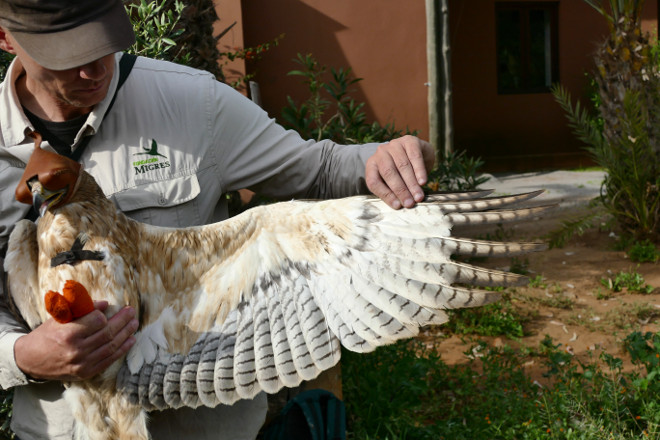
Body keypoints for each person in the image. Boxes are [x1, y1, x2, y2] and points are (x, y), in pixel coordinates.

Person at [0, 0, 434, 438]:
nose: (93, 70)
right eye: (67, 57)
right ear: (5, 38)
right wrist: (19, 355)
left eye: (104, 43)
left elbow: (317, 170)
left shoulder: (191, 102)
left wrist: (393, 159)